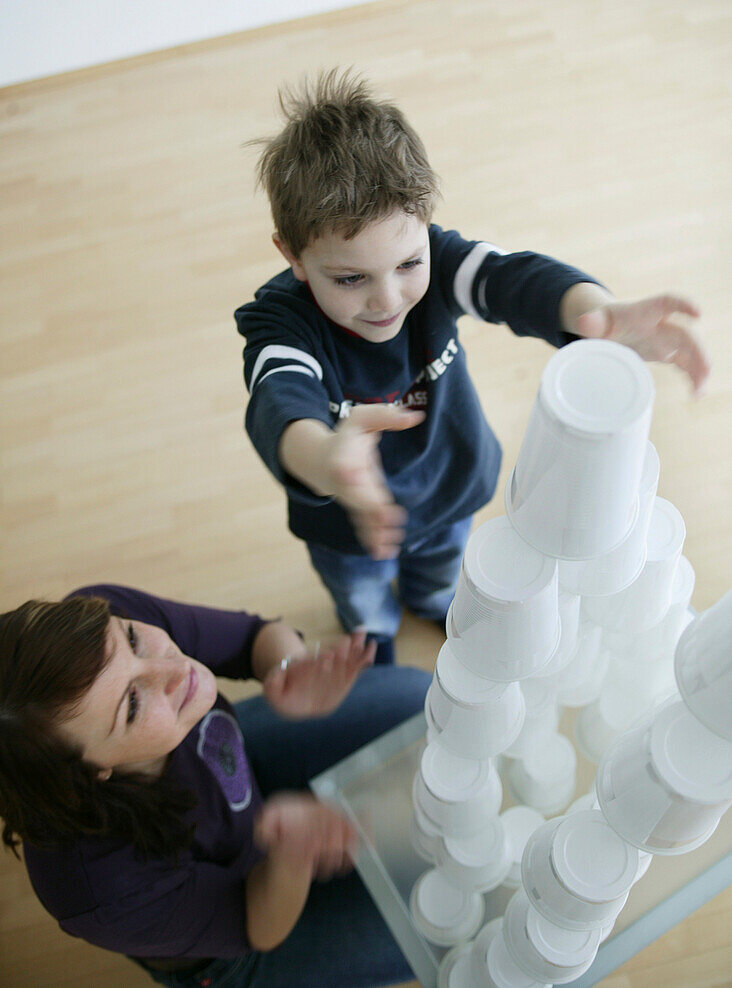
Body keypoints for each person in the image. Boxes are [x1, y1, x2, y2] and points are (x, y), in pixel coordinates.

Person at [234, 69, 710, 664]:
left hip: (450, 487)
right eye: (351, 278)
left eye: (408, 263)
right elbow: (279, 399)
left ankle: (432, 600)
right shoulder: (282, 322)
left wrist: (594, 312)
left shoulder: (439, 258)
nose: (387, 299)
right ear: (293, 256)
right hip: (350, 526)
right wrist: (325, 461)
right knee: (360, 600)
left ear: (424, 224)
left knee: (440, 576)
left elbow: (509, 279)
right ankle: (372, 633)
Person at [0, 584, 431, 987]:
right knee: (439, 925)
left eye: (131, 641)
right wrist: (293, 856)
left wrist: (289, 669)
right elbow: (256, 924)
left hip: (239, 776)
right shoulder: (102, 890)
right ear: (93, 773)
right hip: (246, 936)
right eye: (131, 703)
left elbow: (254, 637)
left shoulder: (93, 625)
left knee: (421, 705)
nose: (172, 667)